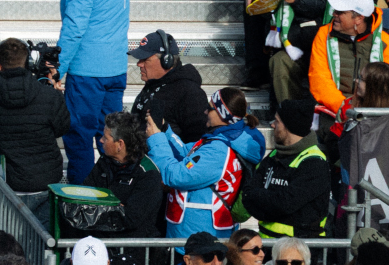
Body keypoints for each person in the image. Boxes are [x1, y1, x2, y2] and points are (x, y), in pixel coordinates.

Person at [49, 0, 136, 170]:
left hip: (88, 71)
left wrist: (58, 67)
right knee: (112, 139)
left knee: (78, 137)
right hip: (115, 68)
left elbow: (75, 24)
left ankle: (83, 195)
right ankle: (114, 189)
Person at [149, 89, 266, 241]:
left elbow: (176, 175)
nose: (205, 111)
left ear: (223, 115)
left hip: (200, 238)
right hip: (193, 234)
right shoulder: (223, 140)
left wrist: (155, 138)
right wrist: (164, 129)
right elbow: (186, 152)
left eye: (210, 108)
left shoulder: (218, 150)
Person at [0, 36, 73, 190]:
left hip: (11, 179)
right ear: (29, 63)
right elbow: (62, 128)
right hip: (49, 177)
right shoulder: (50, 96)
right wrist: (56, 93)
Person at [240, 98, 331, 240]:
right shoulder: (275, 155)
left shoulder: (314, 162)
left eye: (277, 121)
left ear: (290, 126)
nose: (272, 124)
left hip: (297, 249)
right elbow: (247, 194)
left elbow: (285, 204)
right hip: (266, 245)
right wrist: (271, 204)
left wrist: (262, 201)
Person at [89, 110, 166, 239]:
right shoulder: (104, 162)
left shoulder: (148, 174)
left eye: (106, 138)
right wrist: (115, 207)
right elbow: (86, 195)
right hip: (100, 239)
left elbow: (131, 218)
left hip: (132, 246)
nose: (101, 140)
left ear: (120, 144)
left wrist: (99, 208)